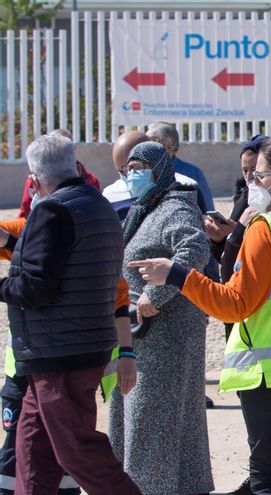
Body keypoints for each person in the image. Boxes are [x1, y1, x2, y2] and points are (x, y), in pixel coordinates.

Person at [129, 136, 271, 495]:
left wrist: (176, 275)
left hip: (270, 376)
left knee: (268, 479)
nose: (252, 184)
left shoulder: (269, 228)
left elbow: (235, 304)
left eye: (259, 176)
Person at [0, 135, 141, 495]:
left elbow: (35, 287)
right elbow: (62, 260)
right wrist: (12, 245)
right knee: (32, 451)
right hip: (72, 349)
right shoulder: (96, 204)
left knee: (79, 454)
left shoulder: (51, 211)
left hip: (59, 354)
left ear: (34, 176)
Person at [109, 141, 213, 495]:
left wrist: (157, 294)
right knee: (150, 424)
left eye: (139, 167)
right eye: (128, 169)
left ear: (159, 168)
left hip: (167, 335)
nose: (131, 175)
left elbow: (195, 249)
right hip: (147, 336)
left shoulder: (175, 207)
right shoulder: (147, 207)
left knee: (152, 425)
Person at [205, 134, 268, 284]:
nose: (250, 176)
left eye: (255, 169)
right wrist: (219, 240)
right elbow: (229, 261)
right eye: (245, 170)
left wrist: (239, 233)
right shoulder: (242, 200)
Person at [103, 131, 202, 222]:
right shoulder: (111, 195)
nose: (130, 175)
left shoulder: (186, 187)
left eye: (137, 167)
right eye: (123, 170)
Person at [17, 129, 100, 218]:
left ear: (73, 149)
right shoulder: (36, 180)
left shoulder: (91, 180)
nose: (58, 152)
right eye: (53, 147)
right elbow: (24, 214)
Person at [147, 121, 215, 212]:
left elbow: (208, 210)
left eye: (155, 142)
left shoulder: (192, 173)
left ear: (174, 148)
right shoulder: (140, 172)